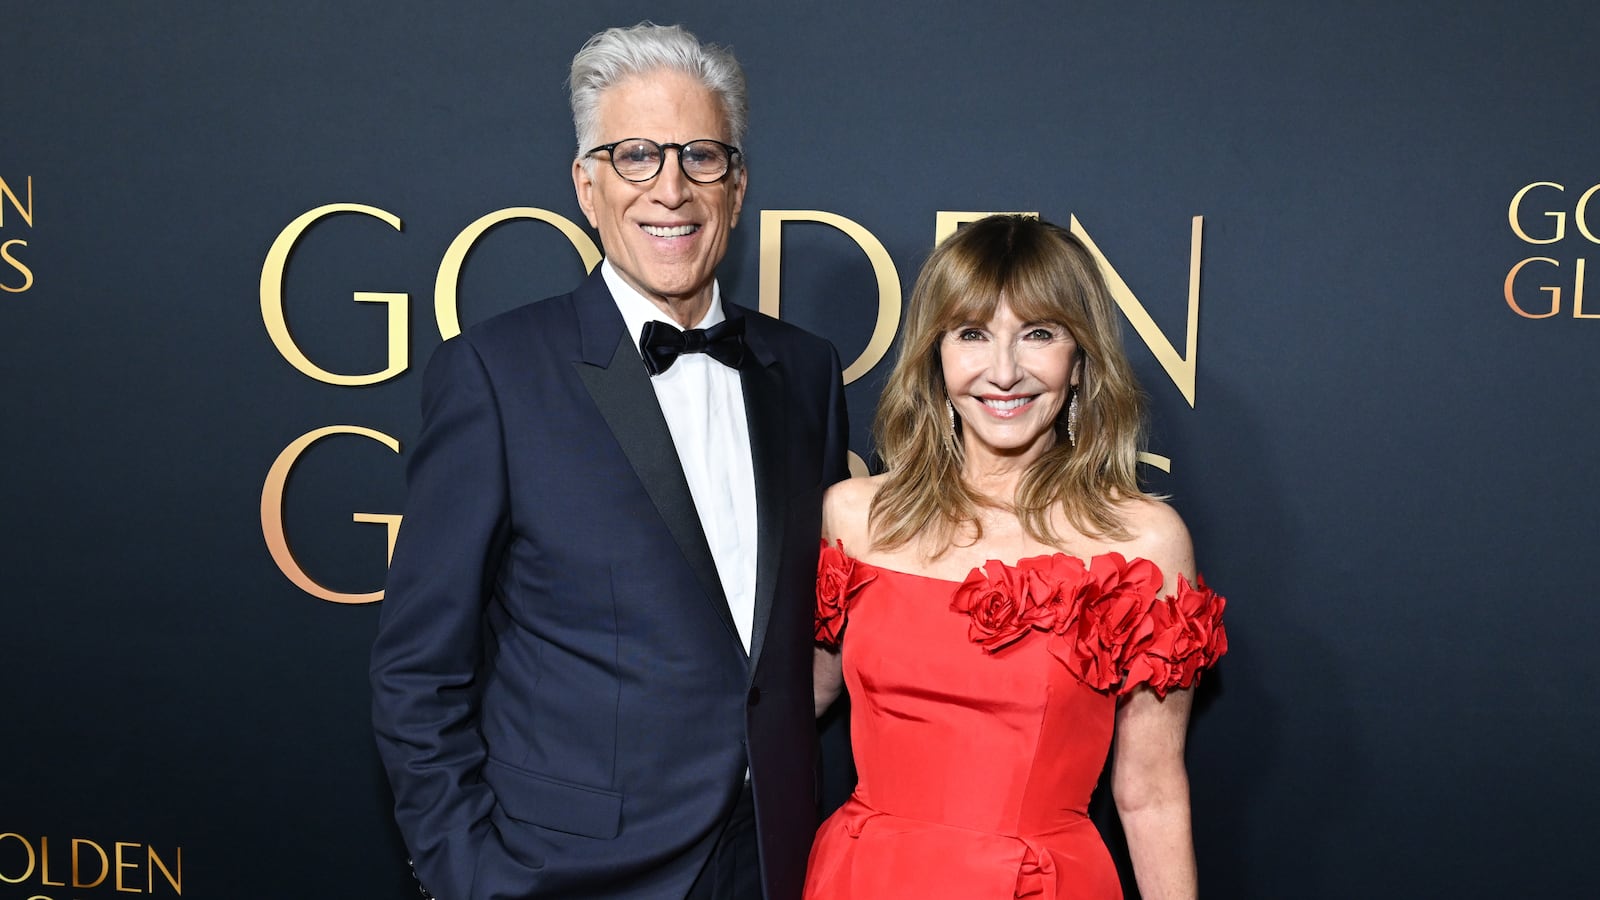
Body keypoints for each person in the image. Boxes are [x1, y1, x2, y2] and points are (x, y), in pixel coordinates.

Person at [370, 23, 849, 900]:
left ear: (737, 188)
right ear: (586, 187)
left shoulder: (806, 371)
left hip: (770, 861)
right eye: (635, 156)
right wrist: (467, 876)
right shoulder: (494, 374)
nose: (671, 188)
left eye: (702, 156)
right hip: (568, 871)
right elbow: (417, 671)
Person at [807, 215, 1227, 899]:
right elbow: (794, 701)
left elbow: (1150, 792)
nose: (1003, 371)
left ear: (1080, 358)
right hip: (862, 876)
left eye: (1038, 333)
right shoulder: (857, 517)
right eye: (972, 334)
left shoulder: (1144, 544)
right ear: (935, 357)